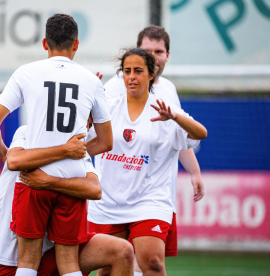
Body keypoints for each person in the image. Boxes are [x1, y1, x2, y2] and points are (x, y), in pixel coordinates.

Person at [0, 14, 112, 276]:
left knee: (27, 262)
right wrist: (76, 152)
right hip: (72, 180)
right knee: (69, 264)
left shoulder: (26, 72)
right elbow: (106, 141)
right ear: (76, 44)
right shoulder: (91, 80)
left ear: (45, 43)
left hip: (34, 179)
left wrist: (5, 154)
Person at [88, 48, 207, 276]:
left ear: (151, 74)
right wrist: (86, 107)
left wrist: (175, 117)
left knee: (152, 262)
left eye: (138, 71)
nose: (131, 76)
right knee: (106, 268)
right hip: (109, 201)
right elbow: (82, 140)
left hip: (149, 200)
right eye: (127, 71)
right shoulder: (108, 106)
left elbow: (201, 133)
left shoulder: (165, 110)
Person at [0, 126, 133, 276]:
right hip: (11, 257)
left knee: (123, 252)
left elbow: (94, 189)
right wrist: (65, 150)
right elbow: (14, 161)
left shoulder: (77, 149)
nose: (85, 126)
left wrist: (48, 181)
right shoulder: (28, 131)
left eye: (89, 123)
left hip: (54, 250)